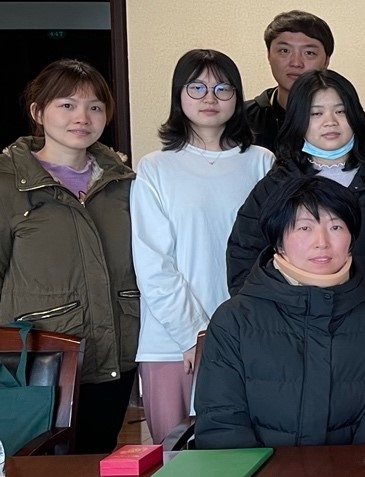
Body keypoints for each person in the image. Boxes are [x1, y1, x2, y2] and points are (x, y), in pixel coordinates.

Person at [196, 176, 365, 447]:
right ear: (278, 241)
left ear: (352, 239)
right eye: (305, 227)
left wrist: (356, 473)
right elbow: (222, 426)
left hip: (354, 473)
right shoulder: (233, 320)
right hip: (259, 474)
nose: (322, 242)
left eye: (335, 227)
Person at [131, 50, 273, 444]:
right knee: (175, 459)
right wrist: (195, 332)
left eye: (222, 88)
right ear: (179, 94)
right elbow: (152, 262)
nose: (210, 97)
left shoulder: (261, 162)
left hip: (249, 333)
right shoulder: (155, 167)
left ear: (237, 96)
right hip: (172, 342)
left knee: (247, 453)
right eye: (197, 87)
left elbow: (273, 251)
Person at [0, 59, 137, 454]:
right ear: (37, 112)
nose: (82, 117)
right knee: (36, 469)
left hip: (115, 354)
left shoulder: (124, 183)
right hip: (37, 360)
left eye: (95, 107)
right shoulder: (7, 184)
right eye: (67, 105)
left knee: (98, 462)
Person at [226, 70, 365, 330]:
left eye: (340, 111)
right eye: (316, 114)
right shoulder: (276, 186)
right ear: (298, 120)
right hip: (288, 332)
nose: (330, 122)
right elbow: (244, 258)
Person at [244, 10, 334, 152]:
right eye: (284, 51)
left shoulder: (344, 121)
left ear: (326, 61)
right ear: (268, 55)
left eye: (309, 53)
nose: (296, 63)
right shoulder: (241, 119)